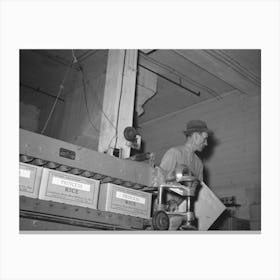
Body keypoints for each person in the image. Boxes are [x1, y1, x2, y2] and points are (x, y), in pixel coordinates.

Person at [158, 120, 212, 228]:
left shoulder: (199, 164)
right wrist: (167, 203)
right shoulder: (174, 153)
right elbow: (160, 180)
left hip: (183, 213)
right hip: (165, 212)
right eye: (204, 139)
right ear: (196, 136)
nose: (206, 143)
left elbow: (197, 191)